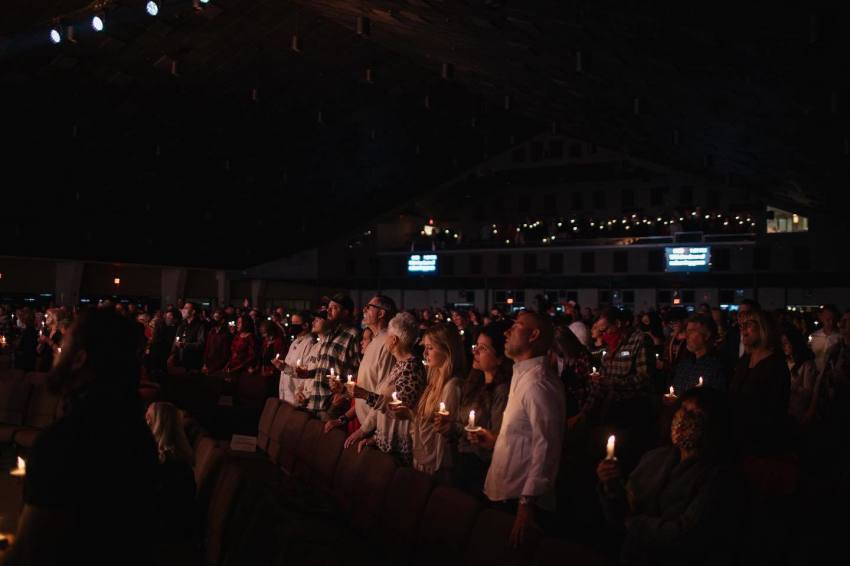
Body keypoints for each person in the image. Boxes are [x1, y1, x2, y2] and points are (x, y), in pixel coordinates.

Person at [4, 308, 159, 564]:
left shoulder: (64, 442)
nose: (58, 353)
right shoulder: (136, 434)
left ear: (80, 358)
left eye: (65, 344)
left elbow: (28, 554)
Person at [596, 387, 743, 565]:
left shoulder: (717, 476)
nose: (684, 418)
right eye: (683, 409)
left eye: (695, 414)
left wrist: (632, 523)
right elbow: (623, 510)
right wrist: (611, 486)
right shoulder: (655, 457)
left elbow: (686, 534)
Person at [482, 311, 565, 547]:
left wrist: (526, 506)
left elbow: (546, 447)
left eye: (516, 325)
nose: (507, 332)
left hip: (521, 501)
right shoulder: (523, 375)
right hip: (508, 492)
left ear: (534, 335)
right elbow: (525, 435)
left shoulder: (538, 383)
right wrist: (497, 440)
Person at [439, 321, 512, 494]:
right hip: (463, 461)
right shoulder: (474, 382)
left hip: (481, 468)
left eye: (484, 348)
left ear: (500, 357)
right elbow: (462, 422)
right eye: (476, 346)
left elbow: (495, 438)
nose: (475, 352)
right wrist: (449, 426)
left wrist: (459, 429)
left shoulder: (502, 391)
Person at [390, 323, 465, 481]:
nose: (424, 353)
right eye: (425, 347)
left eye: (430, 348)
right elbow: (425, 419)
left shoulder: (451, 386)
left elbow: (443, 431)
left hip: (437, 464)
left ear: (447, 350)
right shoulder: (434, 378)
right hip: (424, 457)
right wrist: (408, 413)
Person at [349, 312, 427, 465]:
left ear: (393, 340)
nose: (385, 339)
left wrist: (364, 395)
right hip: (385, 442)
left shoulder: (411, 368)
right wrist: (374, 437)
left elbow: (397, 410)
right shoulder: (399, 364)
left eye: (387, 336)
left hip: (398, 449)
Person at [728, 309, 790, 456]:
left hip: (761, 446)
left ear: (764, 328)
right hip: (737, 441)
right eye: (741, 325)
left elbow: (772, 411)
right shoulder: (744, 361)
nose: (742, 329)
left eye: (749, 324)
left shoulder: (775, 366)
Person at [300, 294, 360, 421]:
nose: (328, 310)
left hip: (332, 406)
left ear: (345, 312)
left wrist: (344, 395)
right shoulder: (329, 334)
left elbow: (358, 373)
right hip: (315, 401)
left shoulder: (353, 335)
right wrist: (304, 373)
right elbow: (322, 369)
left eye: (334, 307)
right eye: (328, 307)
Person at [145, 402, 197, 543]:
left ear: (151, 422)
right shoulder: (180, 458)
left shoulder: (164, 464)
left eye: (146, 419)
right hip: (178, 531)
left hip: (164, 536)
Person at [669, 314, 727, 393]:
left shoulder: (717, 366)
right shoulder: (685, 363)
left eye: (691, 332)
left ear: (706, 335)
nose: (686, 336)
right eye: (687, 331)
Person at [273, 311, 315, 405]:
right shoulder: (295, 342)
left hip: (297, 396)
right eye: (291, 323)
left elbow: (306, 372)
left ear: (305, 325)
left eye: (295, 324)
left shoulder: (310, 343)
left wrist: (284, 367)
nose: (291, 326)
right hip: (286, 393)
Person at [782, 325, 817, 424]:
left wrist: (790, 388)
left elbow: (808, 392)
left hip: (797, 411)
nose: (783, 346)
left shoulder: (807, 364)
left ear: (794, 342)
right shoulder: (783, 362)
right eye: (782, 343)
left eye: (786, 342)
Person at [171, 302, 206, 372]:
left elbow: (201, 344)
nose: (183, 310)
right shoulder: (182, 325)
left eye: (186, 308)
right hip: (179, 361)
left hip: (193, 362)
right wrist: (172, 354)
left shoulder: (200, 325)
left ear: (193, 312)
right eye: (183, 308)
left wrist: (185, 345)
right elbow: (176, 340)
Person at [810, 305, 841, 373]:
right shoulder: (814, 336)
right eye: (828, 319)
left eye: (833, 319)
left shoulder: (840, 337)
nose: (831, 322)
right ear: (821, 318)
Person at [202, 308, 232, 374]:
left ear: (222, 320)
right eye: (213, 317)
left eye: (216, 317)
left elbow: (225, 354)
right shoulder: (211, 331)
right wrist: (204, 363)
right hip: (208, 364)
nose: (214, 320)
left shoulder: (226, 334)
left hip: (218, 368)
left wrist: (214, 368)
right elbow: (207, 349)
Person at [13, 307, 38, 372]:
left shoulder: (28, 330)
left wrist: (16, 344)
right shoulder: (31, 329)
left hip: (26, 359)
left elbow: (23, 345)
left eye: (21, 316)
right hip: (29, 357)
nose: (20, 317)